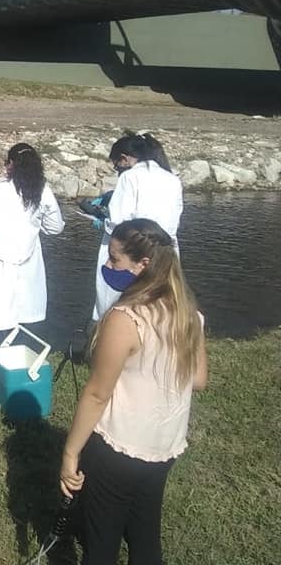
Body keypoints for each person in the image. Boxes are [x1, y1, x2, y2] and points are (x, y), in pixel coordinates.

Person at [61, 218, 207, 565]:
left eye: (114, 259)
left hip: (118, 448)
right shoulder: (189, 314)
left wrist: (70, 453)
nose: (108, 266)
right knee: (144, 533)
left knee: (101, 541)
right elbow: (199, 379)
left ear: (142, 265)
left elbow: (97, 394)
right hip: (164, 447)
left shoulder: (126, 319)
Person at [0, 143, 64, 352]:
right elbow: (55, 227)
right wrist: (37, 224)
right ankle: (23, 359)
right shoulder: (43, 191)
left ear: (12, 164)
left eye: (6, 162)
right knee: (24, 315)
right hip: (29, 267)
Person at [92, 132, 183, 320]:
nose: (117, 170)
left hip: (133, 250)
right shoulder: (172, 179)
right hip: (165, 250)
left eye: (116, 165)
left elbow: (118, 223)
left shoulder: (130, 177)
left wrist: (102, 218)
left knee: (121, 306)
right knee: (157, 306)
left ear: (124, 159)